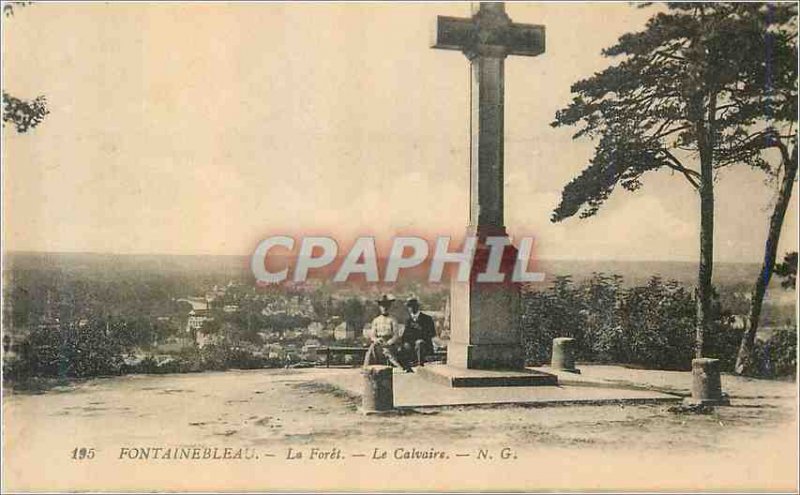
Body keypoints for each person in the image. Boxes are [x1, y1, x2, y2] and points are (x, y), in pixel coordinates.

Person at [363, 294, 413, 372]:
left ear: (389, 307)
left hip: (390, 342)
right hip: (379, 341)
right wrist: (376, 340)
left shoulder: (393, 320)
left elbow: (396, 335)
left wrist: (389, 342)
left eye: (386, 306)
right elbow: (372, 335)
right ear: (380, 307)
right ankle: (365, 368)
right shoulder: (376, 320)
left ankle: (399, 366)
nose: (384, 308)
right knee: (371, 349)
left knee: (387, 351)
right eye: (382, 306)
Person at [401, 295, 436, 367]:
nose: (410, 308)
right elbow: (405, 335)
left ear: (417, 307)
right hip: (412, 344)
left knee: (419, 343)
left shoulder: (427, 319)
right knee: (405, 346)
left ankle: (420, 366)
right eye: (409, 306)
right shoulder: (408, 320)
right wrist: (406, 342)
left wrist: (421, 334)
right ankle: (407, 366)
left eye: (412, 306)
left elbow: (432, 333)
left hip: (425, 345)